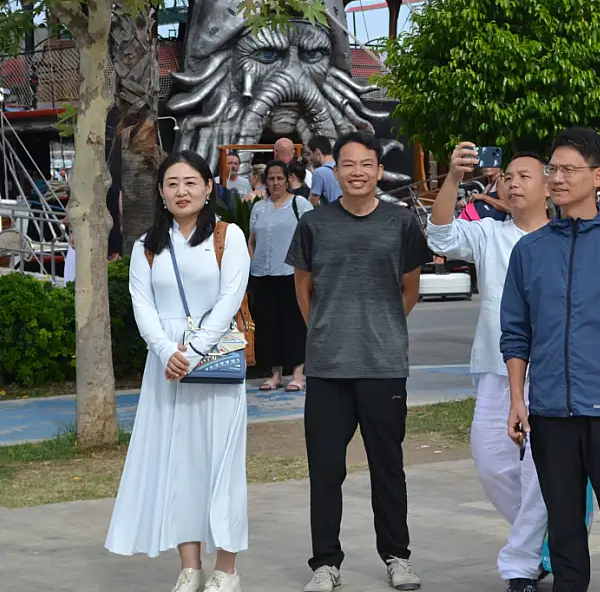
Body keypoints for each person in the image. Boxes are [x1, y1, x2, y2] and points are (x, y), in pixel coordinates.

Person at [501, 126, 600, 592]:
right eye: (553, 169)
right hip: (549, 412)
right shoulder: (530, 250)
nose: (556, 179)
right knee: (565, 527)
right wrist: (517, 397)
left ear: (598, 177)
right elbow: (516, 333)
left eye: (569, 170)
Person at [286, 130, 433, 592]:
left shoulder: (401, 222)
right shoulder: (314, 223)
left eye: (366, 164)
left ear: (377, 170)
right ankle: (325, 564)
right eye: (347, 165)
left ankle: (397, 556)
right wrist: (330, 330)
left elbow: (409, 288)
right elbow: (303, 288)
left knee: (387, 467)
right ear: (335, 170)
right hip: (328, 367)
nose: (357, 173)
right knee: (326, 469)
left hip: (383, 364)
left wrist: (381, 324)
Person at [104, 150, 250, 592]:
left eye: (190, 182)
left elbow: (231, 296)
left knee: (222, 464)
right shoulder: (147, 245)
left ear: (208, 188)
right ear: (161, 193)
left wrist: (196, 349)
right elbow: (142, 304)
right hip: (166, 367)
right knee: (177, 464)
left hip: (215, 361)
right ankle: (190, 567)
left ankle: (226, 569)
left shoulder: (229, 236)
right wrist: (167, 350)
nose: (181, 190)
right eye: (172, 183)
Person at [426, 142, 551, 592]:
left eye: (525, 176)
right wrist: (454, 178)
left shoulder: (565, 237)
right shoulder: (490, 235)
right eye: (508, 177)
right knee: (492, 462)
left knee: (541, 469)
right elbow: (439, 236)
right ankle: (544, 538)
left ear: (548, 186)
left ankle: (521, 565)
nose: (513, 184)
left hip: (551, 372)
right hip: (495, 369)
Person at [249, 160, 314, 392]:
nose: (275, 182)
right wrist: (250, 264)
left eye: (280, 178)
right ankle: (274, 375)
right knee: (267, 325)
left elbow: (312, 238)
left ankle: (297, 375)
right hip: (262, 275)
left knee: (294, 323)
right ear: (265, 181)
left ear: (288, 180)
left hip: (291, 274)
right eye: (271, 178)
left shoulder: (300, 204)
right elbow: (252, 241)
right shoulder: (258, 208)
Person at [307, 136, 342, 205]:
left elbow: (312, 202)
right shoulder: (341, 166)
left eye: (310, 154)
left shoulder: (319, 172)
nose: (309, 158)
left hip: (331, 213)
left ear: (317, 152)